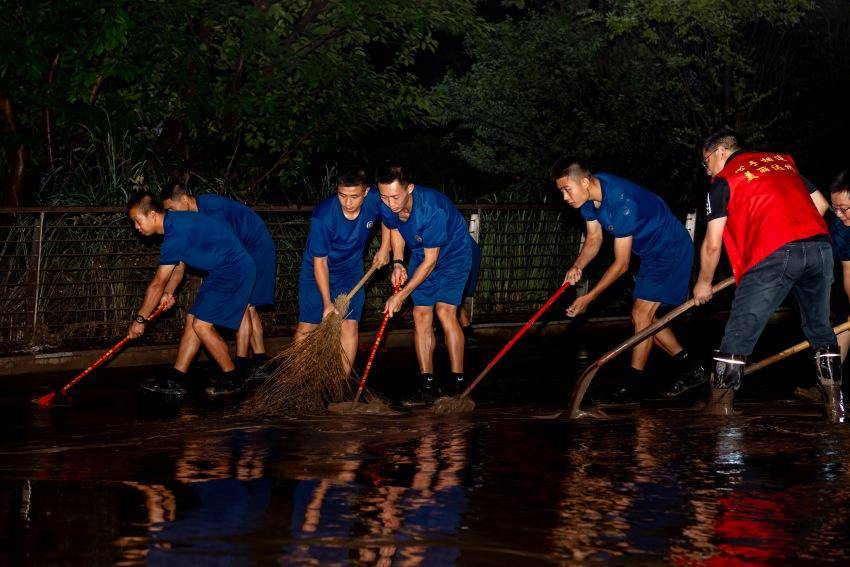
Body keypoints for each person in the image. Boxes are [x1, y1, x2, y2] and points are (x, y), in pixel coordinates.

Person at [692, 130, 842, 421]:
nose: (707, 169)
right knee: (821, 328)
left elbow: (713, 243)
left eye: (706, 162)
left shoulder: (723, 181)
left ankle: (720, 408)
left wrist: (704, 282)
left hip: (774, 251)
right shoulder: (782, 162)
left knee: (739, 330)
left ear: (720, 152)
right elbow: (822, 206)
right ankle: (835, 405)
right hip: (821, 248)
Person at [551, 157, 701, 403]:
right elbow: (593, 240)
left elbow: (621, 265)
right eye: (561, 191)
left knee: (641, 315)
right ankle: (690, 366)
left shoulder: (620, 203)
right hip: (651, 254)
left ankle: (634, 385)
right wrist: (577, 266)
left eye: (567, 190)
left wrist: (589, 297)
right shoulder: (589, 200)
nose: (565, 197)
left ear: (585, 182)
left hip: (670, 249)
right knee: (642, 317)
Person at [127, 191, 255, 398]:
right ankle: (176, 377)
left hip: (234, 270)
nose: (136, 227)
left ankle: (232, 378)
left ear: (152, 215)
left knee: (202, 325)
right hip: (222, 271)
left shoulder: (175, 232)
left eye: (137, 220)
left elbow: (157, 283)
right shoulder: (174, 224)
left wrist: (140, 319)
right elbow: (179, 268)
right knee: (192, 319)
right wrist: (169, 293)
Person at [377, 161, 478, 404]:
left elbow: (431, 262)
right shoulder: (388, 203)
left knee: (444, 312)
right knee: (421, 314)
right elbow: (394, 228)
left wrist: (401, 295)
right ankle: (428, 387)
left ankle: (457, 382)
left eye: (395, 197)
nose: (390, 203)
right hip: (423, 253)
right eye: (384, 196)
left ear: (409, 188)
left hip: (454, 255)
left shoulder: (431, 209)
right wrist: (399, 262)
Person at [161, 185, 276, 381]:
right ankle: (259, 360)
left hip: (255, 249)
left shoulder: (211, 209)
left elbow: (229, 246)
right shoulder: (201, 208)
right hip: (247, 250)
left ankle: (242, 365)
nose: (171, 214)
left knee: (245, 306)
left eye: (171, 209)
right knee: (249, 307)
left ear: (184, 200)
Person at [297, 167, 390, 378]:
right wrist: (328, 303)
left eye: (354, 197)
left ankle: (342, 381)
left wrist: (385, 247)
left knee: (349, 324)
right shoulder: (323, 216)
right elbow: (320, 262)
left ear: (366, 192)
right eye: (342, 195)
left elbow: (388, 216)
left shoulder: (376, 198)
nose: (347, 202)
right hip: (317, 271)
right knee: (308, 325)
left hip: (351, 270)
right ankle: (299, 378)